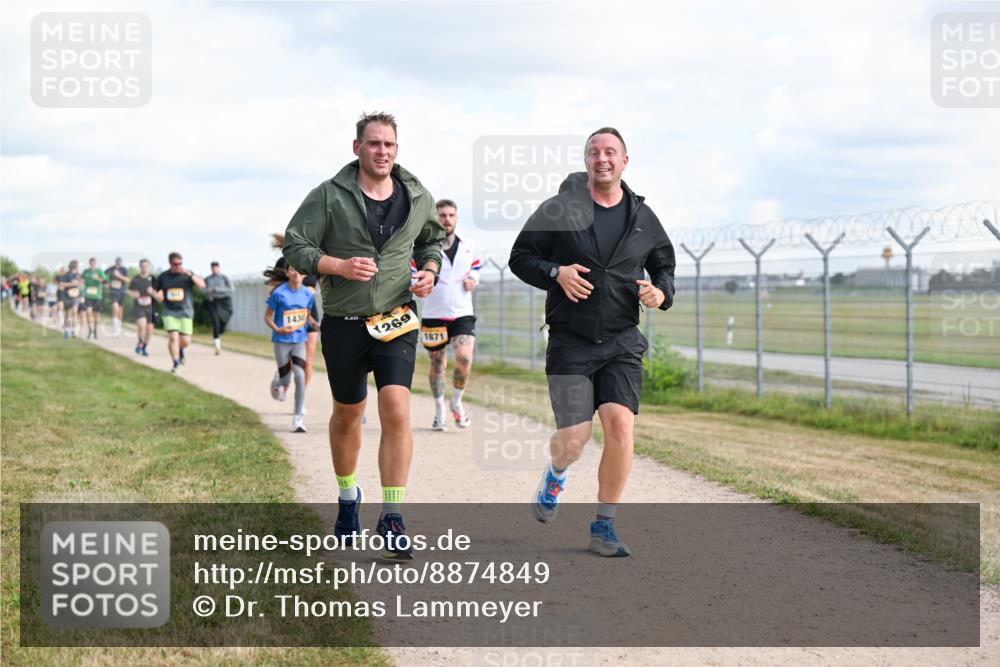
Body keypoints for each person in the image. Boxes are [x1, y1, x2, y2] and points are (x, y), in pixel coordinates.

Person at [282, 111, 444, 559]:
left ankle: (392, 516)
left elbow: (433, 241)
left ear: (397, 148)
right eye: (374, 144)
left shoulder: (416, 195)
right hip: (345, 320)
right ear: (357, 148)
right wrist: (337, 265)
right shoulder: (329, 196)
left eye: (389, 145)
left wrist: (429, 270)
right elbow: (295, 243)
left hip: (397, 318)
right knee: (349, 413)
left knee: (395, 407)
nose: (382, 152)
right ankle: (348, 497)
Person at [509, 127, 676, 557]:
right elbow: (521, 258)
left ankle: (604, 525)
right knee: (575, 436)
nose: (602, 159)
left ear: (625, 161)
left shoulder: (643, 217)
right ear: (586, 160)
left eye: (610, 152)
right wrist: (555, 273)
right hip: (572, 339)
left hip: (622, 339)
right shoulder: (559, 209)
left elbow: (664, 266)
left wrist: (661, 293)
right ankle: (557, 471)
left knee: (621, 425)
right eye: (593, 152)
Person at [419, 199, 481, 430]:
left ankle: (456, 402)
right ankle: (439, 411)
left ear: (456, 218)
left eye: (451, 215)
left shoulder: (468, 246)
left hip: (462, 313)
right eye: (442, 215)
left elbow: (475, 269)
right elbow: (412, 273)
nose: (446, 219)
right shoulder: (424, 247)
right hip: (434, 314)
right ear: (436, 218)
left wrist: (474, 280)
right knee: (438, 365)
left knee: (464, 359)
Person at [264, 258, 317, 432]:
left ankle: (297, 419)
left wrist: (317, 325)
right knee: (286, 379)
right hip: (282, 341)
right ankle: (277, 381)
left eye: (300, 271)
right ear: (287, 273)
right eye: (292, 270)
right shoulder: (279, 293)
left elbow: (307, 316)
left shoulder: (308, 294)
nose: (296, 274)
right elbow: (267, 317)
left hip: (300, 340)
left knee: (300, 376)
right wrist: (278, 329)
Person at [152, 252, 206, 372]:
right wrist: (158, 296)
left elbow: (202, 285)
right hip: (169, 311)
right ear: (170, 263)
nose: (178, 266)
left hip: (185, 311)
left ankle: (180, 349)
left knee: (186, 341)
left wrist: (190, 275)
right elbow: (157, 292)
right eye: (175, 264)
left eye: (180, 263)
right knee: (173, 337)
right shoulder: (163, 276)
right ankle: (175, 361)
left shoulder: (187, 274)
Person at [204, 261, 235, 355]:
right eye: (212, 268)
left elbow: (232, 289)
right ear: (211, 269)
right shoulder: (207, 279)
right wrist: (207, 291)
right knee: (215, 322)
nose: (214, 270)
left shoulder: (224, 278)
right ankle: (217, 346)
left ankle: (220, 331)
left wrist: (218, 289)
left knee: (224, 320)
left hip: (225, 301)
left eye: (216, 268)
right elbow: (202, 289)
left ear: (218, 268)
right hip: (213, 301)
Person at [128, 259, 156, 356]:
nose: (144, 268)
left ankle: (144, 346)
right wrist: (133, 294)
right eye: (143, 266)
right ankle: (140, 341)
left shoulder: (153, 279)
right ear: (140, 267)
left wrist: (153, 292)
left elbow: (159, 293)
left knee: (150, 329)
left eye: (146, 266)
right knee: (142, 325)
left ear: (149, 267)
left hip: (151, 307)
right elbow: (129, 291)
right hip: (139, 306)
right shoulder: (135, 279)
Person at [81, 258, 108, 339]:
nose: (92, 265)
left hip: (97, 296)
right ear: (89, 263)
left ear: (95, 264)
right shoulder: (86, 271)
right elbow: (81, 280)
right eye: (91, 263)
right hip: (88, 295)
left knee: (97, 315)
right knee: (88, 312)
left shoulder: (99, 271)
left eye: (93, 263)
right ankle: (90, 330)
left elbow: (106, 282)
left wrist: (98, 278)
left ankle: (95, 330)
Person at [58, 261, 82, 338]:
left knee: (74, 312)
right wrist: (72, 284)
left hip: (75, 296)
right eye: (76, 265)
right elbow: (61, 284)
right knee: (67, 314)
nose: (76, 266)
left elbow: (80, 283)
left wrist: (78, 283)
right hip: (67, 296)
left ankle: (74, 330)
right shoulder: (66, 274)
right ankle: (66, 330)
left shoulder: (78, 275)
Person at [106, 257, 129, 335]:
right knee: (115, 306)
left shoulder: (124, 270)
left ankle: (119, 324)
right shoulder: (110, 269)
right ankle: (114, 325)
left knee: (120, 308)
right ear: (115, 262)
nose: (118, 263)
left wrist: (119, 276)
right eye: (117, 262)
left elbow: (127, 280)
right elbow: (104, 276)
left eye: (119, 262)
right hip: (113, 291)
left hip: (121, 291)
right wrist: (105, 283)